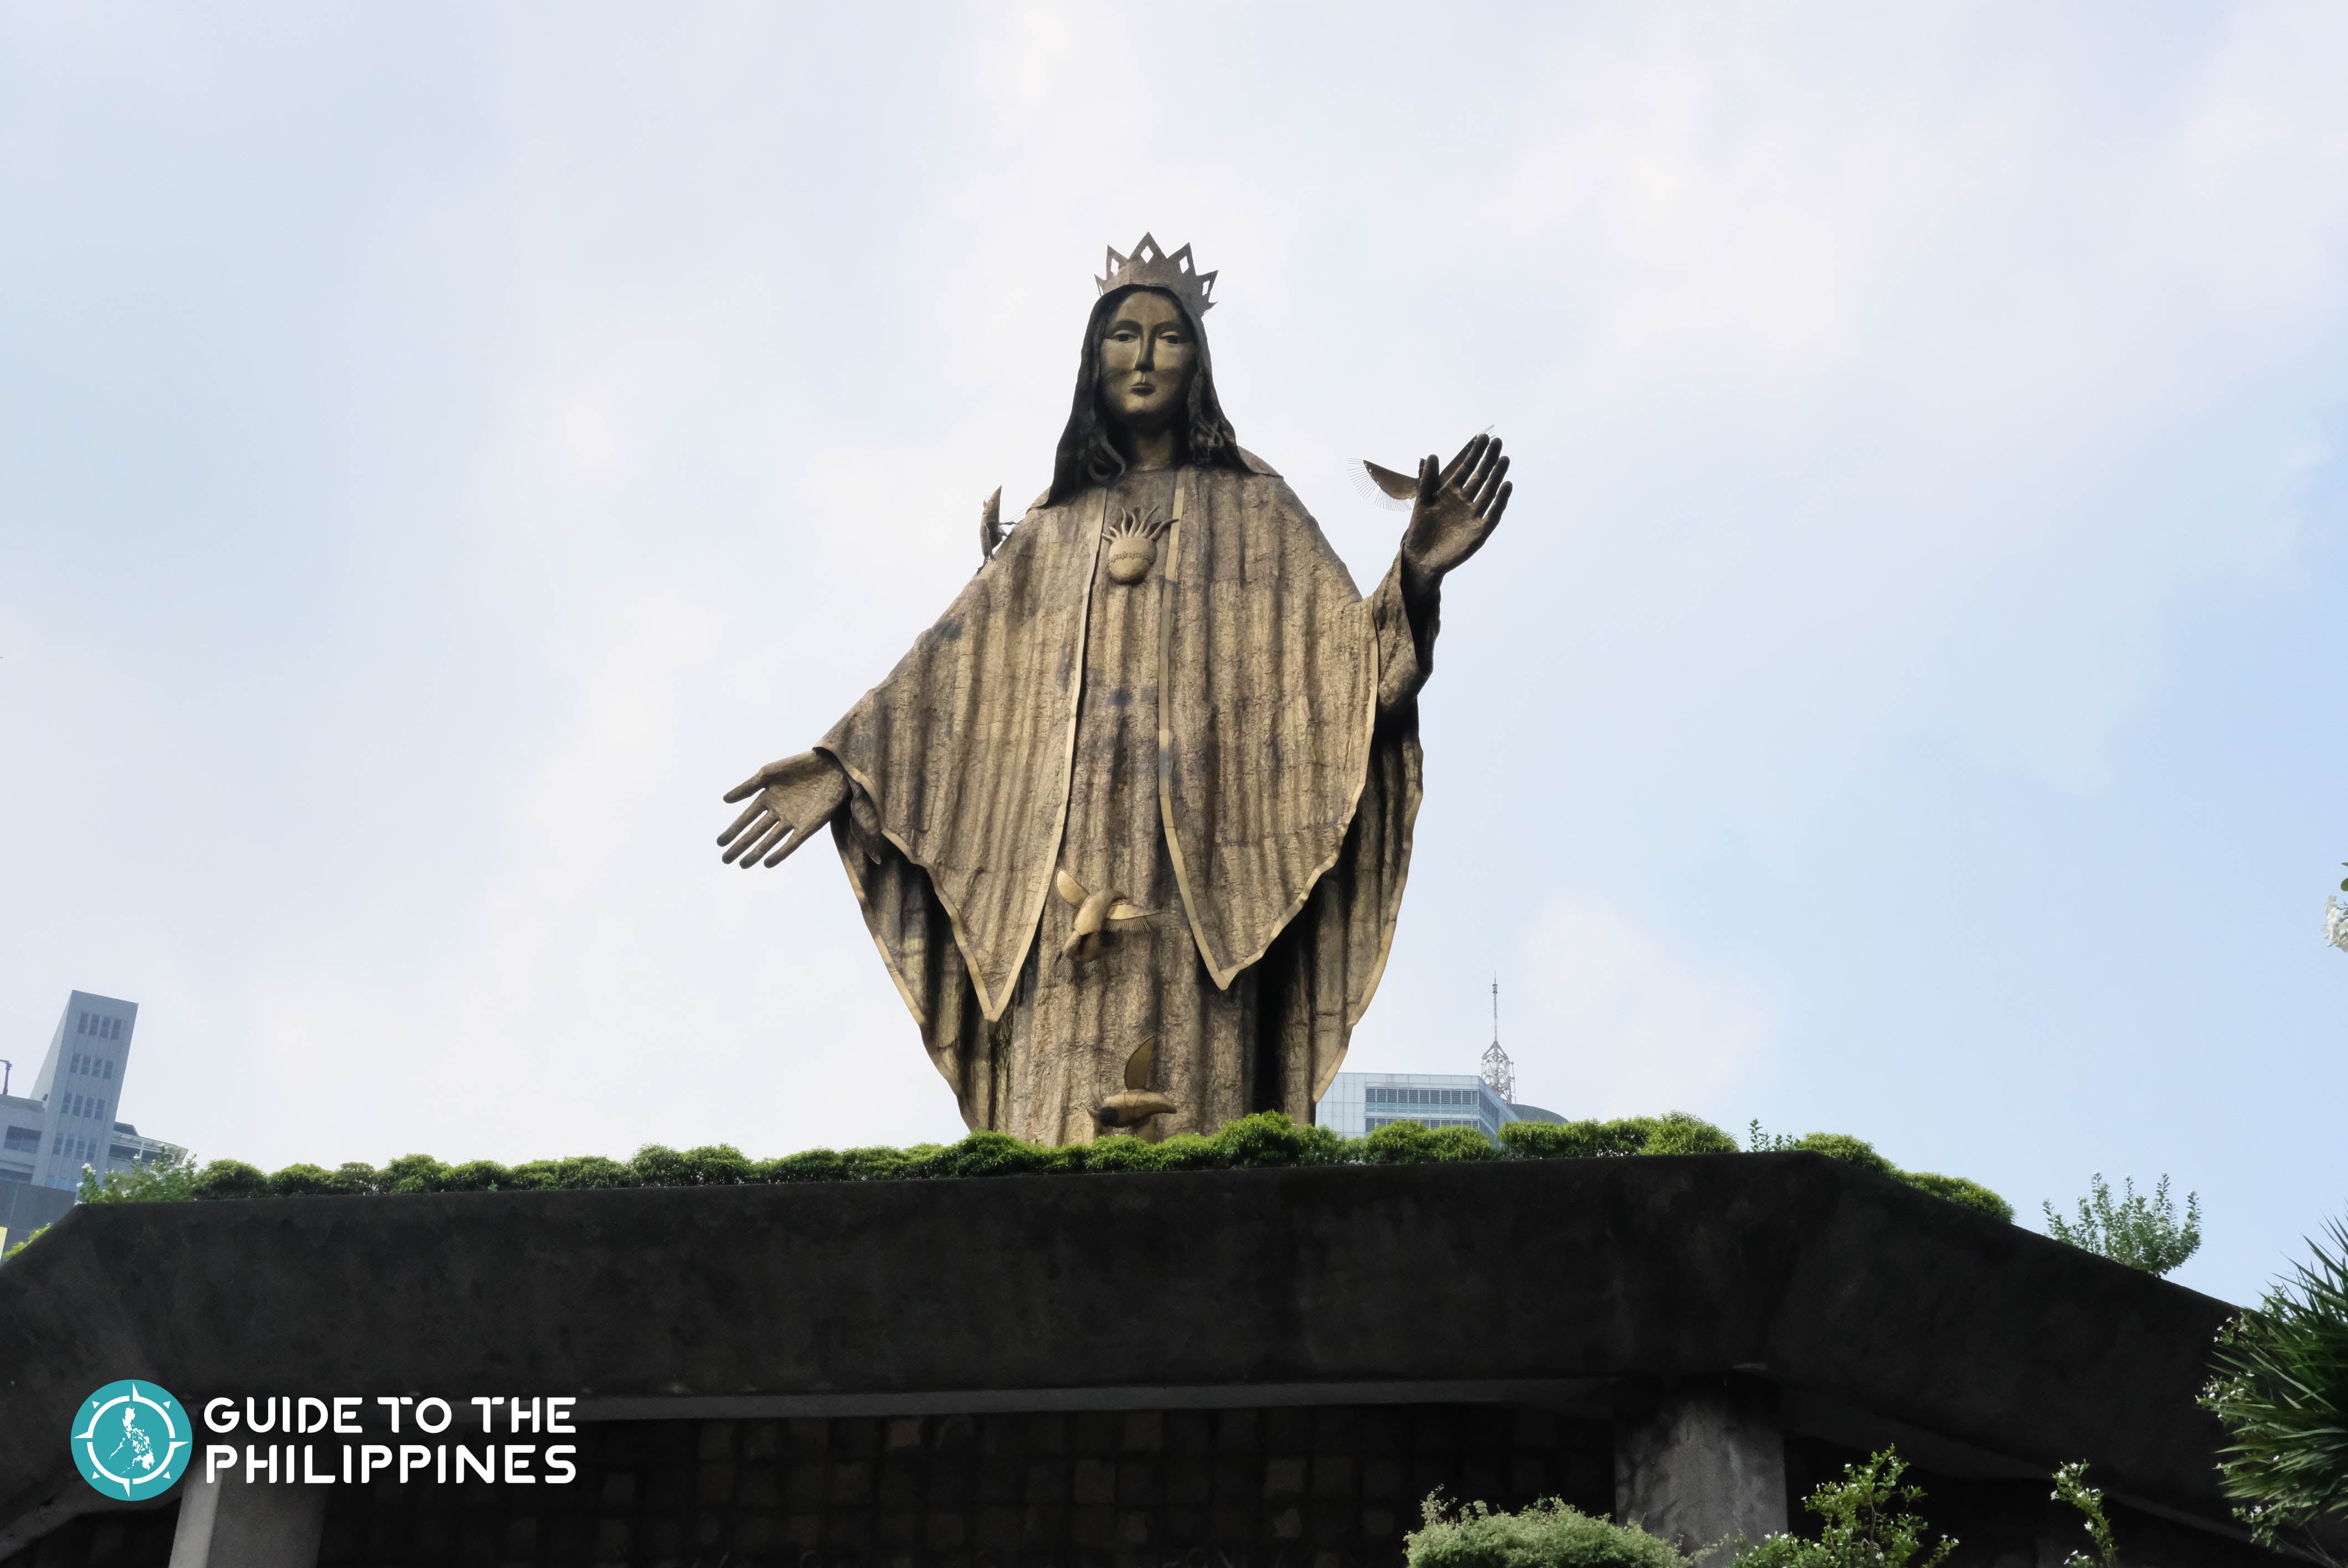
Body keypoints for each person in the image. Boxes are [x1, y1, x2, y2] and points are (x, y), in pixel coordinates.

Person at [718, 236, 1510, 1145]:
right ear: (1092, 362)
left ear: (1197, 361)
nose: (1142, 357)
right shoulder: (1050, 532)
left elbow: (1347, 671)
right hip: (1058, 862)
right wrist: (844, 766)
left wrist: (1414, 573)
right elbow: (946, 683)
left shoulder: (1255, 510)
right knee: (1054, 1112)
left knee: (1189, 1112)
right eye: (1122, 336)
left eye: (1166, 337)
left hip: (1204, 874)